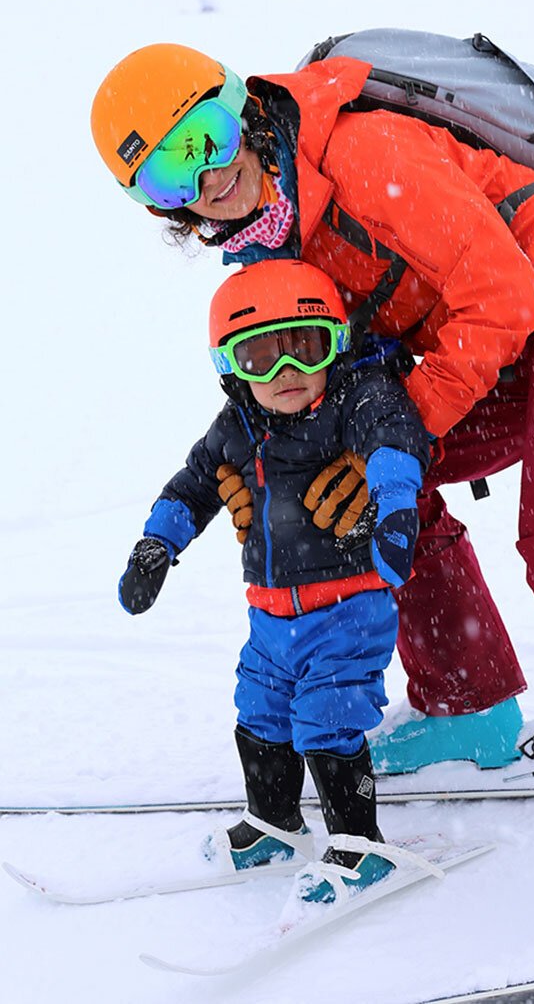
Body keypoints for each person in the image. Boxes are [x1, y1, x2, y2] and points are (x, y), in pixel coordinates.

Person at [91, 44, 534, 939]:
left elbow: (503, 294)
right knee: (359, 480)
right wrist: (276, 474)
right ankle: (466, 701)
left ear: (240, 107)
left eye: (204, 136)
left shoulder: (361, 153)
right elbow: (339, 388)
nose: (204, 177)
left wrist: (394, 439)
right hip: (508, 343)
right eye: (168, 172)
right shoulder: (274, 246)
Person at [118, 258, 431, 901]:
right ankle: (274, 826)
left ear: (333, 347)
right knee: (260, 712)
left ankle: (358, 850)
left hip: (349, 607)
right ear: (232, 368)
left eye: (303, 348)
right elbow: (192, 485)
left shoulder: (355, 399)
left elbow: (392, 436)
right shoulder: (237, 426)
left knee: (327, 716)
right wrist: (157, 544)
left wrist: (396, 506)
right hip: (270, 615)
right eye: (261, 356)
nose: (286, 373)